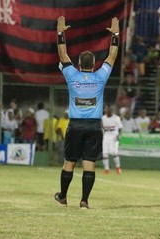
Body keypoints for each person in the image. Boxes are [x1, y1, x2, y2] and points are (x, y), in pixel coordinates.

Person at [54, 16, 119, 209]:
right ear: (93, 64)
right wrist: (115, 34)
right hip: (93, 126)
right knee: (89, 164)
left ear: (80, 64)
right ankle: (84, 202)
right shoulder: (100, 76)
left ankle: (63, 197)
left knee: (69, 162)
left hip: (75, 125)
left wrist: (60, 32)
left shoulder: (71, 74)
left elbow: (62, 54)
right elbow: (112, 56)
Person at [102, 105, 123, 175]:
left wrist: (118, 135)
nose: (106, 110)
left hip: (114, 136)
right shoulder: (103, 118)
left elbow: (120, 128)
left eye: (108, 109)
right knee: (104, 153)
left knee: (114, 152)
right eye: (105, 109)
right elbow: (102, 127)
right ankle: (106, 169)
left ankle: (118, 167)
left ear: (111, 110)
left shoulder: (116, 118)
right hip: (106, 136)